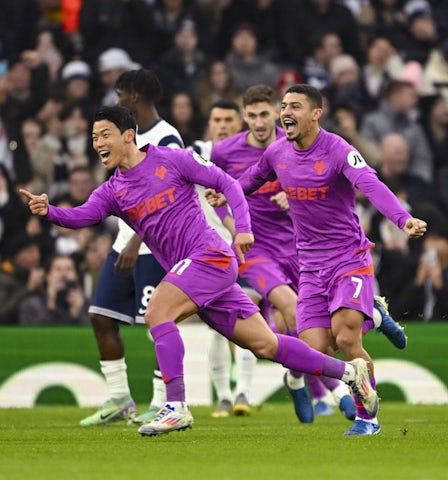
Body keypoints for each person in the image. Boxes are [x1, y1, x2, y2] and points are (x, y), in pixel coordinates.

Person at [20, 105, 381, 437]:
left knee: (158, 311)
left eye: (104, 134)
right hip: (198, 273)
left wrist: (242, 228)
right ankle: (351, 373)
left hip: (210, 255)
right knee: (265, 344)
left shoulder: (173, 160)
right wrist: (49, 211)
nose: (97, 142)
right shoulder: (113, 190)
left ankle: (176, 405)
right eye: (94, 137)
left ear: (128, 135)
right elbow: (82, 215)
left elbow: (225, 184)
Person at [224, 84, 427, 435]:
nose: (286, 112)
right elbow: (250, 181)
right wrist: (223, 189)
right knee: (316, 350)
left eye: (295, 107)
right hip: (309, 265)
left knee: (347, 340)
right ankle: (374, 314)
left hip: (349, 258)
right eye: (284, 106)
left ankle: (368, 418)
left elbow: (371, 184)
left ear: (316, 113)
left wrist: (402, 219)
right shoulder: (277, 153)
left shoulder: (338, 150)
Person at [77, 69, 184, 428]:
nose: (117, 99)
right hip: (125, 242)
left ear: (135, 97)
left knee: (159, 321)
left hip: (152, 246)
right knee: (100, 316)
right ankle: (120, 398)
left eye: (121, 93)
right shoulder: (124, 138)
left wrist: (138, 239)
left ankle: (160, 402)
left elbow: (168, 198)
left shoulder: (167, 138)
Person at [190, 99, 254, 418]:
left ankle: (242, 390)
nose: (223, 125)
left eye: (229, 119)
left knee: (249, 320)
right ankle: (224, 396)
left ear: (239, 124)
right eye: (217, 119)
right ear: (210, 123)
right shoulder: (197, 153)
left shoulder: (250, 157)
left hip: (245, 247)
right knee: (216, 326)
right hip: (210, 252)